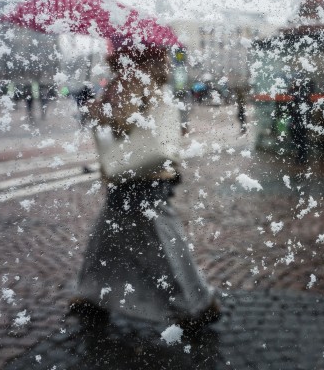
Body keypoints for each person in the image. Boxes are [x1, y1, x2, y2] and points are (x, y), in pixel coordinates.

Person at [73, 42, 220, 329]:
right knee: (110, 234)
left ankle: (195, 303)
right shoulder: (151, 79)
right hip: (146, 173)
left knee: (159, 239)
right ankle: (92, 294)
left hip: (137, 175)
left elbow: (120, 123)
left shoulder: (131, 79)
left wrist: (96, 109)